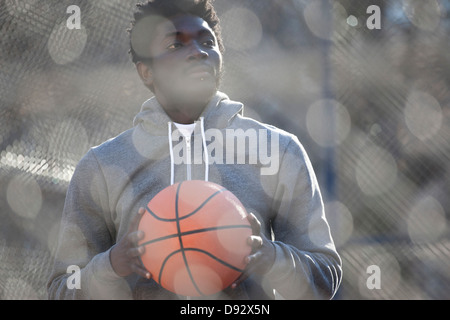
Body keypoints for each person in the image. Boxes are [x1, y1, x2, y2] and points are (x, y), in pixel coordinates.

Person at [47, 0, 342, 300]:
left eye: (207, 42)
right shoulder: (102, 164)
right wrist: (113, 265)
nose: (198, 52)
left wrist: (270, 258)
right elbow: (61, 290)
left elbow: (325, 277)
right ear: (146, 72)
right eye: (176, 45)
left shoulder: (277, 150)